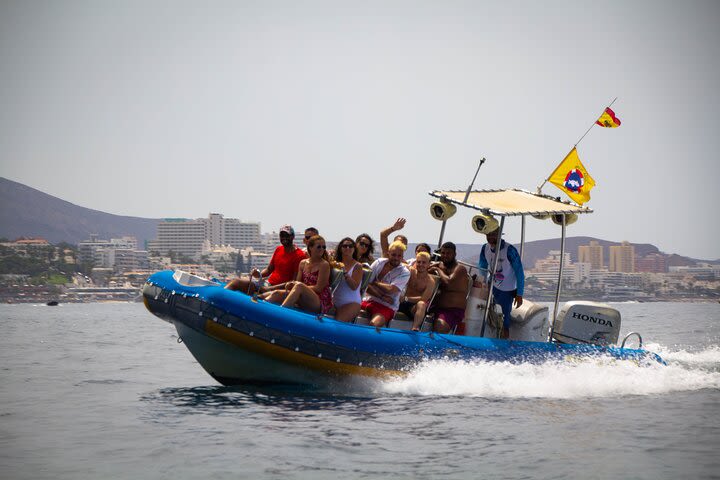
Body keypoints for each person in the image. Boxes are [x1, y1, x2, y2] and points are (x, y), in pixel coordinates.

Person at [225, 225, 306, 293]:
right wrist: (258, 274)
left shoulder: (299, 256)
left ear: (293, 237)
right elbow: (268, 270)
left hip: (278, 289)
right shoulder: (279, 249)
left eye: (287, 235)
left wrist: (269, 289)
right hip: (268, 284)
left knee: (236, 283)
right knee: (236, 282)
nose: (284, 238)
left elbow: (293, 282)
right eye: (282, 235)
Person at [264, 235, 333, 314]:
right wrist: (292, 285)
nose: (322, 249)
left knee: (299, 286)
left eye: (324, 247)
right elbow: (297, 282)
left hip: (319, 301)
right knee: (276, 293)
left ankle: (281, 313)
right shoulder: (303, 263)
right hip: (302, 296)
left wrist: (300, 287)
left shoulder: (324, 265)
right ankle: (260, 309)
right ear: (310, 247)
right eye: (319, 247)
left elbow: (318, 288)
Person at [478, 228, 524, 339]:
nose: (490, 237)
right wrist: (482, 282)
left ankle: (504, 342)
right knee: (486, 313)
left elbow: (519, 272)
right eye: (488, 234)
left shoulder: (510, 250)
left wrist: (519, 294)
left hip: (507, 290)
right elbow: (482, 267)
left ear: (499, 235)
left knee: (504, 320)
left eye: (493, 235)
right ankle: (488, 338)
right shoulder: (485, 248)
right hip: (492, 286)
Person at [362, 241, 411, 328]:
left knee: (374, 324)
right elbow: (365, 284)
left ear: (402, 257)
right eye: (393, 255)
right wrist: (381, 296)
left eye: (399, 256)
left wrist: (375, 282)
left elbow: (391, 289)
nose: (396, 258)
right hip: (368, 300)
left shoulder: (405, 272)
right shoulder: (378, 262)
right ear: (388, 254)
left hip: (387, 307)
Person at [428, 242, 469, 334]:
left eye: (448, 253)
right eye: (443, 253)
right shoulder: (440, 264)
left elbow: (448, 282)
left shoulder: (460, 269)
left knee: (440, 327)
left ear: (454, 254)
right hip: (434, 307)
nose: (445, 255)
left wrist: (437, 270)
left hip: (451, 311)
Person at [397, 251, 436, 331]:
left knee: (422, 304)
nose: (420, 264)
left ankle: (415, 328)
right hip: (400, 303)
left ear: (429, 264)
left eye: (424, 262)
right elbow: (396, 261)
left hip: (413, 308)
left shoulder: (430, 281)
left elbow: (424, 298)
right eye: (418, 262)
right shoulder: (410, 271)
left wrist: (406, 298)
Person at [332, 237, 364, 322]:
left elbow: (354, 287)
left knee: (338, 322)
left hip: (352, 303)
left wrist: (345, 273)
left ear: (354, 249)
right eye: (345, 246)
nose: (348, 248)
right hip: (333, 301)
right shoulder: (334, 263)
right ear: (340, 248)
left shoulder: (357, 266)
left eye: (350, 246)